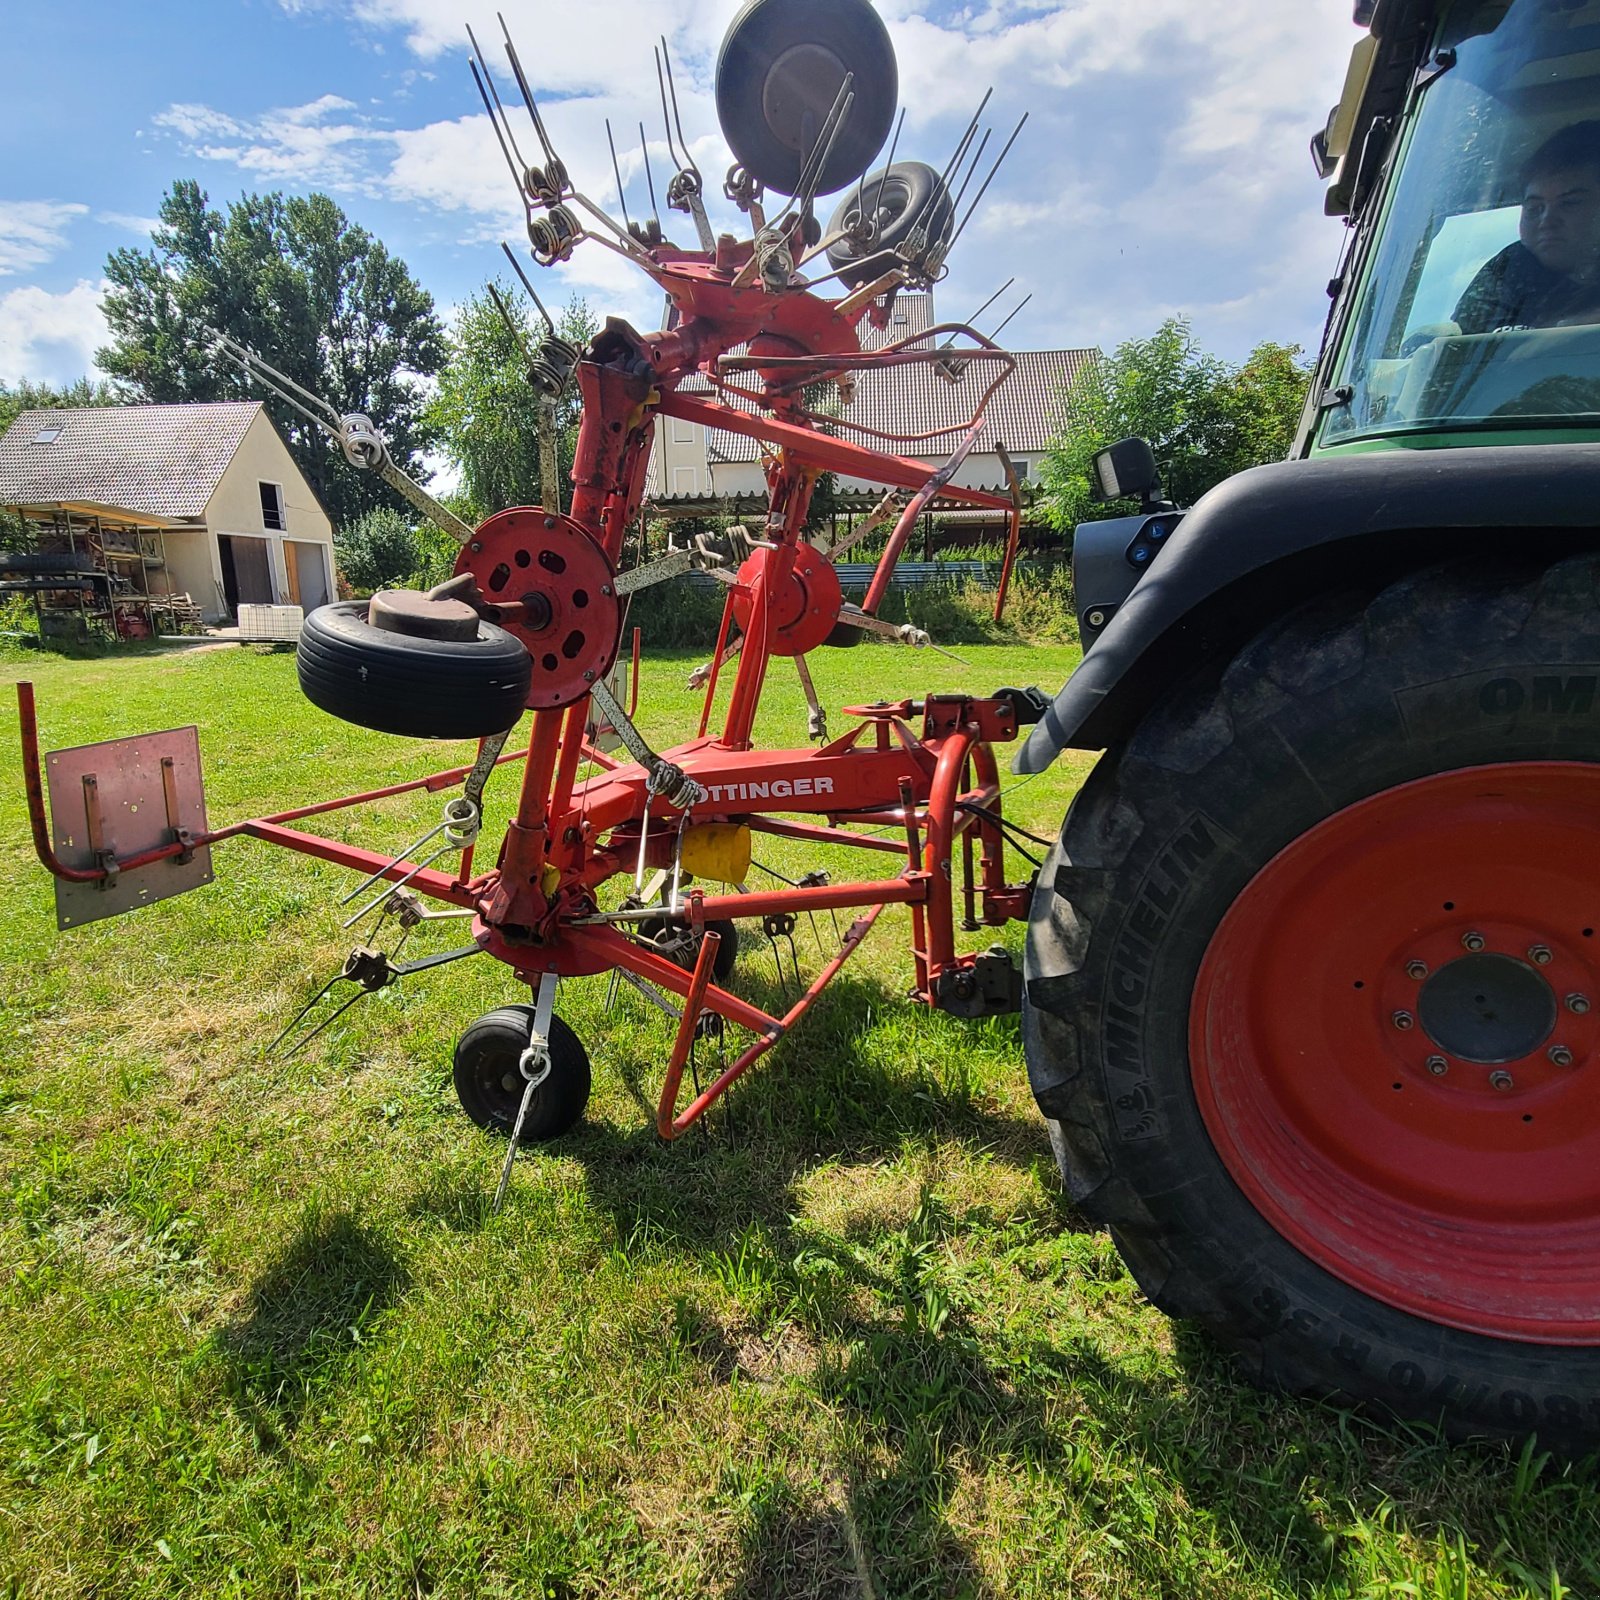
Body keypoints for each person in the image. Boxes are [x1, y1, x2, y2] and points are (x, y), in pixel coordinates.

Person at [1454, 120, 1600, 333]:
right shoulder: (1507, 271)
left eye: (1570, 203)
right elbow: (1470, 353)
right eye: (1534, 208)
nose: (1547, 220)